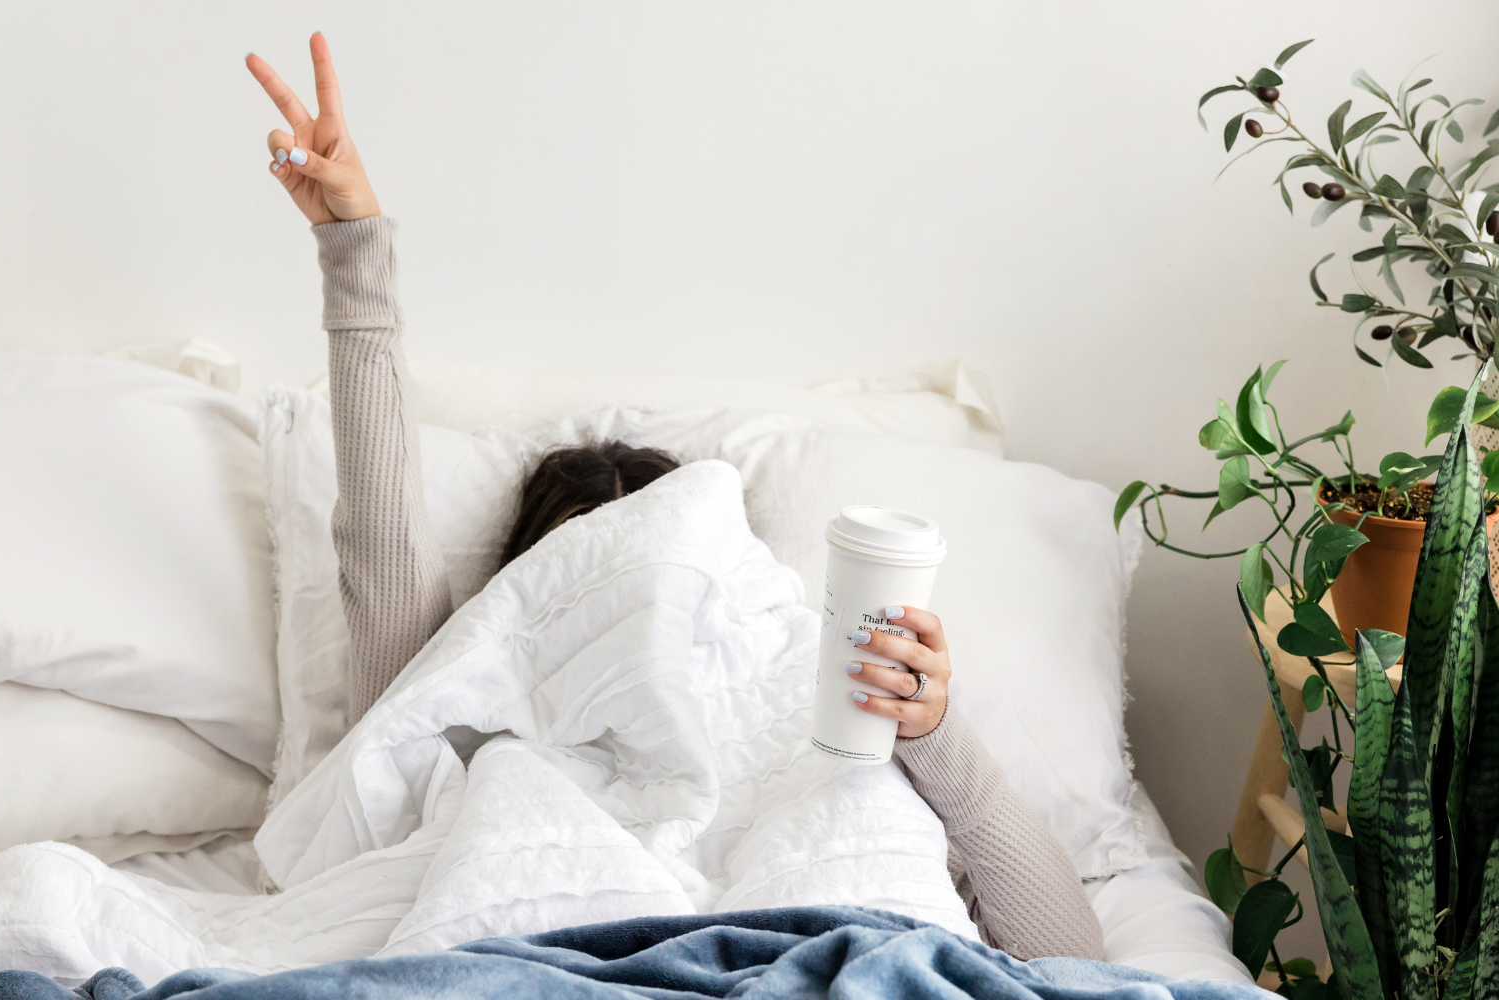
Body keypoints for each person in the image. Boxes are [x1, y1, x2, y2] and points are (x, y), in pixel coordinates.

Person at [244, 35, 1105, 962]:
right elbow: (381, 549)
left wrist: (934, 736)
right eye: (586, 567)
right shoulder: (460, 717)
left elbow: (1074, 961)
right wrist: (354, 253)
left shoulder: (829, 722)